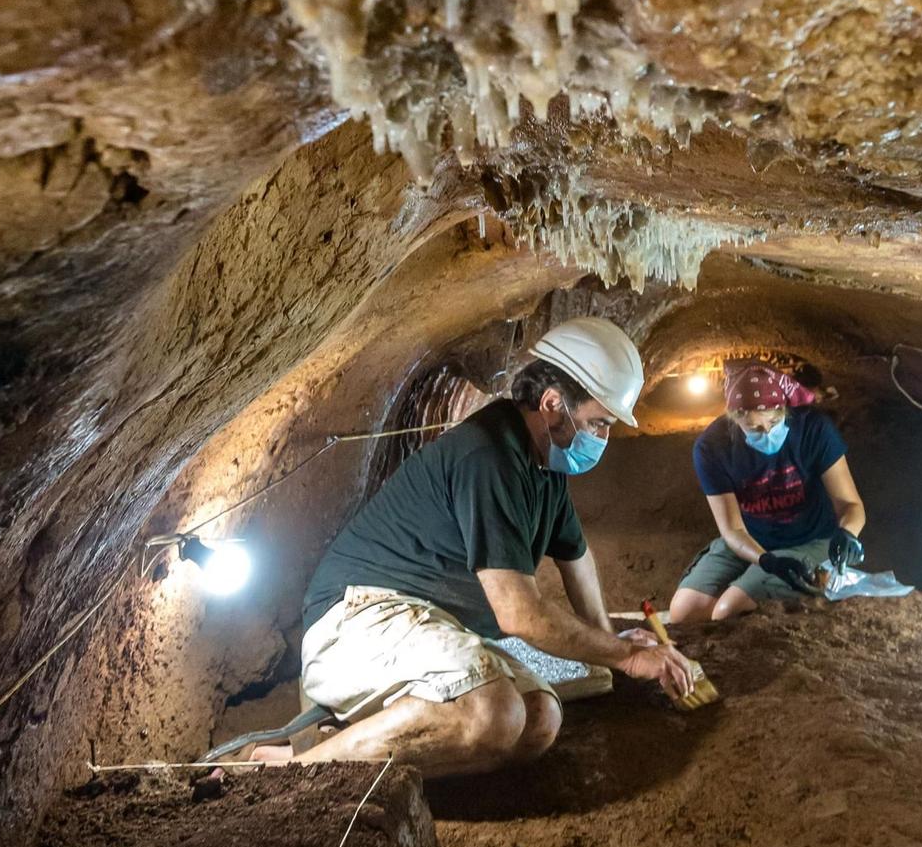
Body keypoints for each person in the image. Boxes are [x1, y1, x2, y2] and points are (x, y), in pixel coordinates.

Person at [241, 317, 693, 775]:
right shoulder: (489, 455)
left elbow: (576, 559)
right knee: (492, 711)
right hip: (356, 621)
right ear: (553, 404)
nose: (602, 438)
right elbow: (520, 615)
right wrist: (630, 655)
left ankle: (360, 743)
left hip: (427, 626)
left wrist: (610, 640)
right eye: (598, 423)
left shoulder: (544, 467)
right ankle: (295, 770)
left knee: (539, 718)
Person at [668, 359, 866, 626]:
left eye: (774, 421)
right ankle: (768, 586)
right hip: (751, 539)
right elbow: (733, 531)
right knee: (684, 612)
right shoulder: (712, 447)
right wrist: (765, 561)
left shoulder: (813, 429)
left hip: (809, 539)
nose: (769, 432)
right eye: (756, 428)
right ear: (735, 419)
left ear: (784, 408)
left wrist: (847, 534)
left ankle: (810, 583)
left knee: (728, 609)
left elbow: (850, 504)